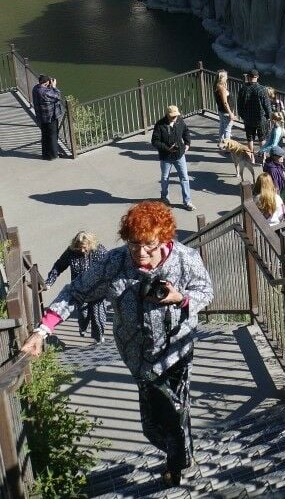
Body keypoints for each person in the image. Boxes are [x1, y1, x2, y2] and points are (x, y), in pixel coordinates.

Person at [21, 201, 213, 488]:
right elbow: (75, 292)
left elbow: (205, 291)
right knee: (151, 425)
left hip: (176, 351)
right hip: (136, 355)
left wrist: (180, 299)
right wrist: (42, 331)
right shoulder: (114, 263)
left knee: (175, 410)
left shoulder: (186, 259)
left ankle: (178, 463)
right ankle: (177, 452)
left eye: (149, 245)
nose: (141, 253)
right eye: (134, 244)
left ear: (164, 238)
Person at [44, 231, 109, 343]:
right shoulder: (71, 252)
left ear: (90, 244)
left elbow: (110, 266)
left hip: (97, 290)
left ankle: (99, 339)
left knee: (98, 318)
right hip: (80, 290)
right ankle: (82, 327)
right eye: (79, 248)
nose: (82, 251)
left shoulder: (99, 251)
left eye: (84, 247)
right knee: (83, 316)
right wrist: (49, 282)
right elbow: (59, 266)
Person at [151, 105, 196, 212]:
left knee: (184, 178)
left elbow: (186, 131)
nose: (175, 118)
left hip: (179, 155)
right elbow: (155, 141)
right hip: (166, 157)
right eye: (172, 116)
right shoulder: (160, 125)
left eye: (176, 115)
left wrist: (187, 143)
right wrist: (167, 148)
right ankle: (164, 197)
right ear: (167, 115)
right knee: (165, 178)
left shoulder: (180, 121)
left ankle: (187, 202)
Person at [32, 74, 64, 160]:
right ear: (46, 83)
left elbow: (48, 96)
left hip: (41, 116)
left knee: (45, 135)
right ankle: (53, 155)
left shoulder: (35, 88)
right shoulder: (45, 92)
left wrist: (49, 87)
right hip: (50, 117)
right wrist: (54, 87)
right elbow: (57, 96)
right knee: (52, 135)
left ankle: (45, 154)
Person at [237, 70, 272, 143]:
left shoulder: (243, 89)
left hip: (248, 118)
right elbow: (267, 105)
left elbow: (239, 105)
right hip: (261, 118)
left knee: (250, 138)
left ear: (248, 77)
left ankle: (250, 154)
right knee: (262, 138)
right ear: (258, 77)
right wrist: (269, 116)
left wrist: (242, 116)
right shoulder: (262, 89)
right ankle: (263, 154)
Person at [214, 70, 236, 142]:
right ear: (222, 78)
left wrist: (225, 87)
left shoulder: (216, 86)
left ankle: (221, 142)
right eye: (226, 76)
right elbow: (225, 102)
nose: (227, 78)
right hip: (226, 112)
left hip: (221, 111)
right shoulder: (222, 89)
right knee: (227, 130)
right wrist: (230, 113)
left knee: (222, 127)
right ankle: (227, 148)